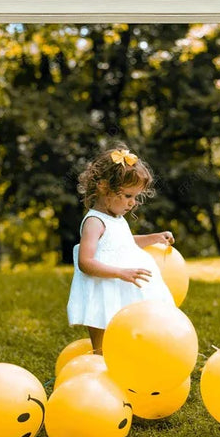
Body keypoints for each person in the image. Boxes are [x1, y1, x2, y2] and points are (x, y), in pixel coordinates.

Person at [66, 142, 176, 354]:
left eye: (135, 197)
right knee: (103, 345)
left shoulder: (115, 218)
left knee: (126, 337)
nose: (133, 203)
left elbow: (123, 244)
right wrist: (120, 272)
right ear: (104, 187)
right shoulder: (94, 222)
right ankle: (98, 361)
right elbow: (85, 262)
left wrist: (154, 238)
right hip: (103, 287)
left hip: (121, 285)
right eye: (128, 196)